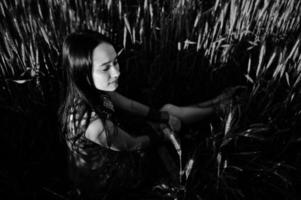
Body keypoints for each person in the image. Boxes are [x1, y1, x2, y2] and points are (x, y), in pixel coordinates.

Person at [58, 30, 181, 200]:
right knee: (152, 161)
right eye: (105, 68)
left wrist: (162, 116)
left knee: (149, 124)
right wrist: (164, 135)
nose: (116, 72)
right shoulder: (92, 124)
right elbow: (131, 145)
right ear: (82, 73)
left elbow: (128, 104)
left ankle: (215, 105)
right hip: (104, 181)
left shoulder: (95, 90)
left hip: (108, 148)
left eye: (115, 62)